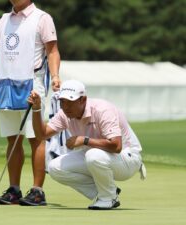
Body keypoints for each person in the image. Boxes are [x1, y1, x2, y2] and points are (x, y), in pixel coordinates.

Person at [28, 80, 146, 210]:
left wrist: (84, 140)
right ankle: (106, 192)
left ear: (82, 100)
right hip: (98, 157)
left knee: (93, 154)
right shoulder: (65, 113)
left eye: (70, 102)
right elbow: (42, 134)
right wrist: (36, 109)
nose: (65, 107)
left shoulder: (103, 110)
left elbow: (116, 146)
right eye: (62, 102)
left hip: (128, 159)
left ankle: (107, 198)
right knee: (54, 167)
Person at [0, 0, 61, 206]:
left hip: (32, 83)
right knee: (13, 139)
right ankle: (14, 190)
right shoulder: (4, 20)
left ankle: (37, 191)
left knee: (36, 138)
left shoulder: (42, 18)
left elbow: (53, 51)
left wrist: (55, 76)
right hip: (5, 84)